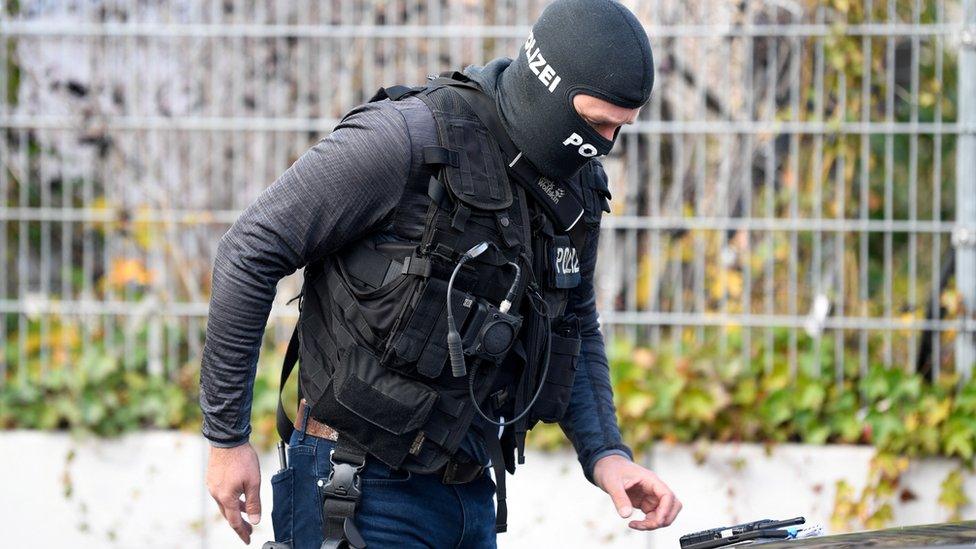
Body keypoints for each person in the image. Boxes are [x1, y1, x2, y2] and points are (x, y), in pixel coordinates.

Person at [200, 1, 681, 547]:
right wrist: (225, 438)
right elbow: (250, 249)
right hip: (356, 488)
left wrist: (607, 455)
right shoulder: (405, 138)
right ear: (549, 86)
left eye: (620, 128)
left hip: (472, 497)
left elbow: (572, 319)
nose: (605, 145)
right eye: (595, 123)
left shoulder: (575, 188)